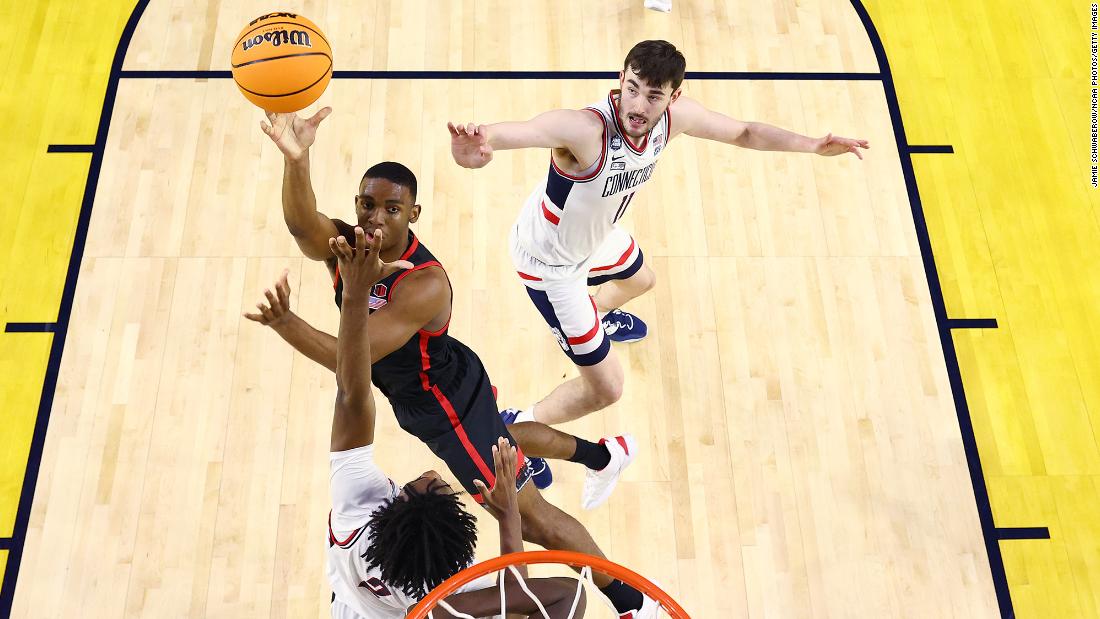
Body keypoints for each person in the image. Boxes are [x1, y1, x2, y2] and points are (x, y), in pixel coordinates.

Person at [252, 109, 661, 617]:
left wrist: (287, 324)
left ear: (414, 214)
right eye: (367, 205)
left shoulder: (423, 284)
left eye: (392, 209)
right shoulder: (351, 248)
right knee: (504, 443)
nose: (375, 218)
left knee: (530, 516)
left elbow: (349, 363)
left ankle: (629, 600)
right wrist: (298, 159)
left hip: (444, 404)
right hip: (435, 390)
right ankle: (602, 456)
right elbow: (302, 224)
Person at [447, 39, 869, 426]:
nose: (638, 105)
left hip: (593, 237)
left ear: (673, 97)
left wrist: (813, 145)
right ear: (620, 79)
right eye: (632, 88)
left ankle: (594, 319)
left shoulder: (674, 120)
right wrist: (481, 147)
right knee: (606, 389)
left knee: (641, 279)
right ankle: (518, 427)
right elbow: (524, 131)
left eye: (653, 96)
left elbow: (744, 132)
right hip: (551, 264)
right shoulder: (585, 129)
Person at [315, 226, 585, 617]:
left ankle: (597, 457)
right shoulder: (450, 593)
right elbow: (566, 597)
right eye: (445, 492)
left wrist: (355, 296)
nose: (435, 475)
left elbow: (352, 393)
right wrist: (510, 517)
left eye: (421, 486)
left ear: (386, 512)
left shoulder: (355, 511)